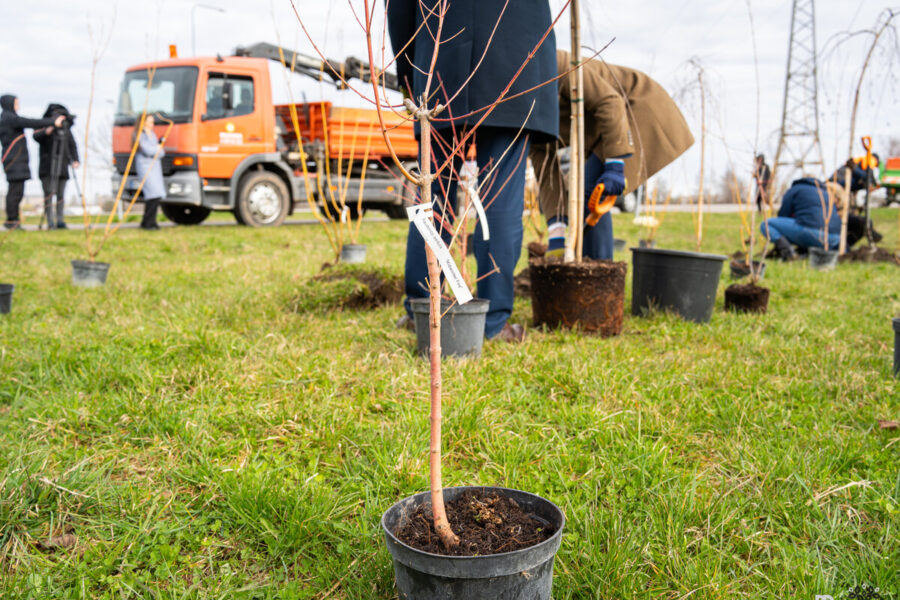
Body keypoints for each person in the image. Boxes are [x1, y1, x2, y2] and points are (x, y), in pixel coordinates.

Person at [387, 0, 559, 342]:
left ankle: (423, 307)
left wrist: (412, 74)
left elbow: (400, 10)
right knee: (501, 196)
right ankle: (493, 323)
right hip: (514, 69)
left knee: (430, 192)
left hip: (440, 66)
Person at [530, 50, 694, 259]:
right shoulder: (526, 121)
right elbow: (547, 174)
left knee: (590, 190)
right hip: (604, 131)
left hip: (635, 108)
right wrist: (556, 234)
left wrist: (615, 164)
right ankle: (590, 271)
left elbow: (610, 102)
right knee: (582, 196)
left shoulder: (554, 64)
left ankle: (600, 272)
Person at [1, 94, 65, 229]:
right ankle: (12, 221)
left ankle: (13, 220)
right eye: (16, 103)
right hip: (14, 161)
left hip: (15, 161)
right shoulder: (10, 119)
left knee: (16, 191)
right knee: (15, 192)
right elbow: (31, 122)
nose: (18, 106)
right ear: (9, 104)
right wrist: (52, 121)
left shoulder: (7, 119)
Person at [760, 178, 840, 261]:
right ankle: (805, 251)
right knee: (807, 223)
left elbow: (783, 215)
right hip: (835, 238)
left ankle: (788, 252)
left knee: (766, 224)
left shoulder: (795, 189)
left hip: (812, 233)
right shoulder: (826, 193)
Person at [33, 104, 79, 230]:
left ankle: (60, 220)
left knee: (61, 195)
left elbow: (72, 145)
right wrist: (49, 128)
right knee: (49, 194)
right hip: (47, 168)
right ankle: (50, 221)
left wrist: (75, 160)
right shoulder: (45, 127)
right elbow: (36, 136)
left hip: (63, 167)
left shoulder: (66, 130)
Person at [134, 114, 166, 230]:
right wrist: (157, 148)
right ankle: (149, 223)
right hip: (145, 167)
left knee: (156, 195)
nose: (151, 124)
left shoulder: (152, 134)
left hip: (154, 168)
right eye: (149, 121)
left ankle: (149, 222)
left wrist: (158, 148)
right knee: (152, 194)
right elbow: (147, 150)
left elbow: (161, 152)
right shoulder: (139, 135)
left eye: (152, 121)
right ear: (143, 122)